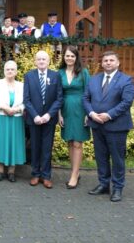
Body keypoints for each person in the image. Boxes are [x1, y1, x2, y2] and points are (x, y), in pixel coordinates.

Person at [83, 51, 134, 202]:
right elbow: (85, 98)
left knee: (117, 158)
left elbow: (126, 102)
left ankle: (117, 188)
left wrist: (109, 115)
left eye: (111, 60)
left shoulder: (126, 80)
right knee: (101, 157)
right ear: (102, 63)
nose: (108, 62)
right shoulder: (93, 80)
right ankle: (104, 184)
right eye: (105, 60)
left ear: (118, 63)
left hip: (116, 125)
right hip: (97, 124)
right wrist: (92, 113)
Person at [23, 50, 63, 189]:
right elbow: (26, 99)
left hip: (49, 119)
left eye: (44, 59)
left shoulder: (55, 76)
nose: (41, 61)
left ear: (48, 61)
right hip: (34, 119)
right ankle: (35, 174)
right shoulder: (29, 76)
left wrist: (48, 115)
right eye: (39, 59)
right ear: (35, 61)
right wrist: (35, 116)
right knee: (34, 147)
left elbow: (59, 99)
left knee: (47, 148)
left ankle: (46, 176)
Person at [0, 60, 26, 182]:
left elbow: (26, 102)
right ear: (4, 71)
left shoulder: (22, 85)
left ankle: (11, 172)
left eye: (12, 69)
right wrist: (5, 108)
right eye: (7, 69)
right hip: (0, 116)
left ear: (16, 71)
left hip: (16, 118)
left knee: (14, 143)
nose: (10, 71)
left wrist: (18, 109)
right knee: (0, 142)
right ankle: (0, 170)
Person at [58, 46, 91, 189]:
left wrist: (88, 113)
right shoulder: (59, 73)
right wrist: (59, 114)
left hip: (81, 110)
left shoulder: (84, 73)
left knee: (78, 143)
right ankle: (74, 172)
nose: (69, 58)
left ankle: (74, 175)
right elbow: (57, 95)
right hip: (65, 109)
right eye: (67, 56)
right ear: (63, 57)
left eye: (72, 56)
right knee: (70, 142)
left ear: (76, 57)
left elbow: (89, 93)